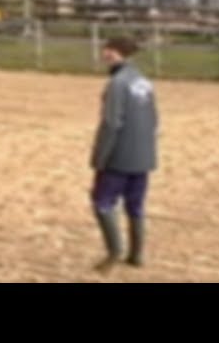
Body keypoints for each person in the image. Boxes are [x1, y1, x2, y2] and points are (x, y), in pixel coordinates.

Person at [89, 37, 159, 273]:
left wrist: (100, 157)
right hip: (143, 155)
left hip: (119, 155)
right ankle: (136, 254)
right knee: (135, 205)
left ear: (113, 53)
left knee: (103, 203)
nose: (103, 54)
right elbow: (153, 119)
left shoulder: (117, 84)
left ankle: (114, 252)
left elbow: (111, 123)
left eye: (106, 50)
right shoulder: (144, 81)